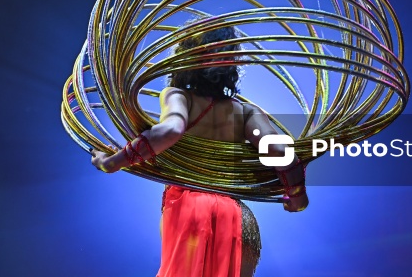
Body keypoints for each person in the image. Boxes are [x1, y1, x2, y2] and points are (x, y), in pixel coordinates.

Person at [91, 25, 309, 277]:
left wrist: (113, 162)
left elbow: (170, 131)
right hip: (235, 215)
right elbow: (282, 153)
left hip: (190, 211)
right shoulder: (245, 113)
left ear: (185, 58)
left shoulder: (179, 96)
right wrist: (296, 196)